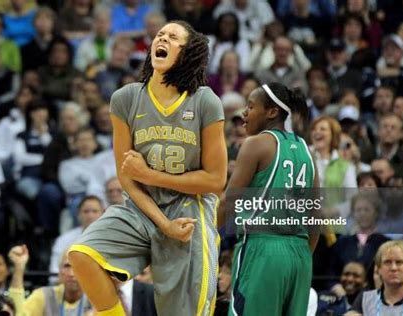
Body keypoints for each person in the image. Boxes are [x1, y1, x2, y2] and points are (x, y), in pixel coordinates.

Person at [68, 20, 227, 316]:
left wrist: (151, 175)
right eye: (159, 35)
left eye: (172, 36)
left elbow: (216, 180)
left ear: (188, 51)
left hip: (189, 212)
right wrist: (161, 222)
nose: (162, 38)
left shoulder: (206, 101)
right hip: (140, 207)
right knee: (82, 255)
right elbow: (127, 178)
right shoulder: (125, 99)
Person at [225, 82, 319, 315]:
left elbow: (230, 203)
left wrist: (202, 240)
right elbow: (317, 215)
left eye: (250, 106)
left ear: (272, 112)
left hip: (263, 250)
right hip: (300, 255)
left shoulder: (256, 144)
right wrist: (300, 255)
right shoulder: (306, 150)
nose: (244, 113)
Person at [346, 240, 403, 315]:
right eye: (387, 262)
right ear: (378, 269)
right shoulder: (365, 299)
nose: (393, 268)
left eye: (399, 262)